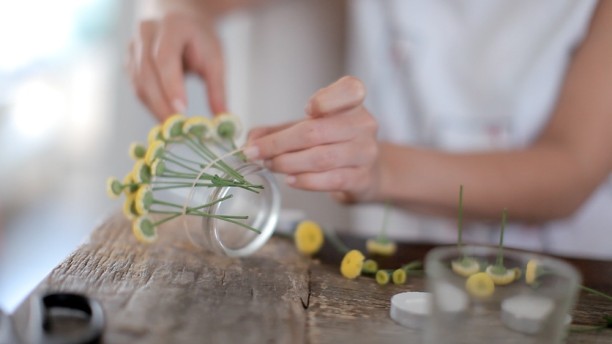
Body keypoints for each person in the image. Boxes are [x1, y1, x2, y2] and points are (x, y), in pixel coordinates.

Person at [128, 0, 612, 259]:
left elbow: (572, 168)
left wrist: (379, 172)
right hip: (391, 265)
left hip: (565, 281)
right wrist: (174, 13)